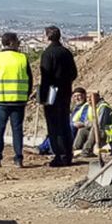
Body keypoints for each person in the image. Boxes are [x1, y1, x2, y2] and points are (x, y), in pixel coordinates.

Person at [0, 31, 32, 167]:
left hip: (1, 100)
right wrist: (26, 96)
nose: (19, 43)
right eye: (17, 41)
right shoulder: (22, 58)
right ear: (11, 42)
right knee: (17, 130)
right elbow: (30, 80)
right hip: (19, 100)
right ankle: (18, 159)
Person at [39, 26, 78, 167]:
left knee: (54, 125)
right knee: (64, 123)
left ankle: (59, 155)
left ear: (47, 37)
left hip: (52, 93)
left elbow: (46, 77)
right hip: (66, 91)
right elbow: (74, 73)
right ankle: (68, 153)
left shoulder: (48, 54)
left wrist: (43, 97)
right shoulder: (66, 52)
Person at [73, 89, 112, 157]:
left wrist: (87, 123)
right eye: (87, 97)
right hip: (96, 130)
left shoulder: (103, 107)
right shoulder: (90, 107)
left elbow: (100, 123)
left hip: (109, 133)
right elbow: (86, 121)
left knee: (95, 128)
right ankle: (74, 149)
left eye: (91, 97)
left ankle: (87, 150)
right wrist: (86, 124)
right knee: (82, 130)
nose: (89, 99)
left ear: (97, 97)